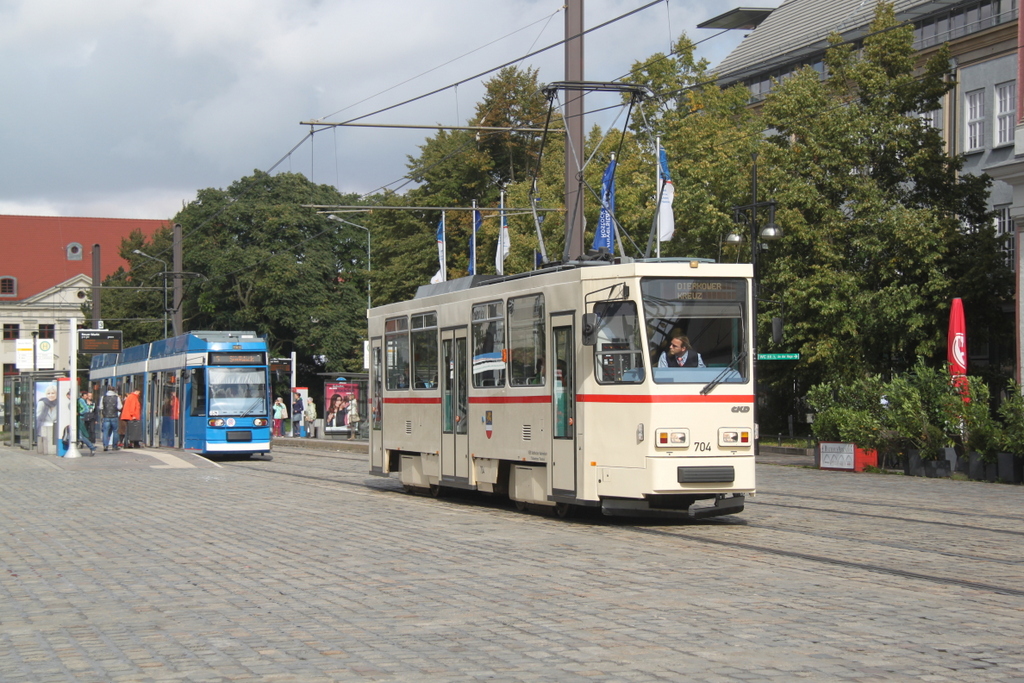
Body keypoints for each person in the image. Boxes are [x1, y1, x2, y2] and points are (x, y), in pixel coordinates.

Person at [99, 385, 122, 451]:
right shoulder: (116, 397)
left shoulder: (103, 397)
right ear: (114, 390)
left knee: (105, 431)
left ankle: (105, 446)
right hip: (114, 416)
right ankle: (114, 446)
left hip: (106, 417)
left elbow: (101, 407)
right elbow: (119, 407)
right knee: (115, 431)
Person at [77, 391, 97, 456]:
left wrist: (79, 413)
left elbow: (86, 409)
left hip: (81, 418)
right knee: (81, 435)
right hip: (82, 418)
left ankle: (92, 447)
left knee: (81, 435)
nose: (87, 397)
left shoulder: (81, 400)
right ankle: (91, 447)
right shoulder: (82, 401)